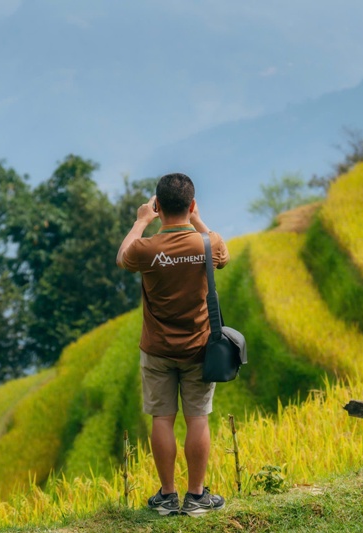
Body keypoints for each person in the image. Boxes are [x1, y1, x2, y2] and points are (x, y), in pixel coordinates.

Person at [116, 173, 229, 517]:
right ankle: (197, 498)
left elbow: (123, 256)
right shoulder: (207, 244)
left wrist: (140, 222)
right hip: (199, 348)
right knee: (198, 419)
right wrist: (196, 219)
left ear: (158, 207)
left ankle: (167, 497)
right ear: (192, 205)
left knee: (161, 420)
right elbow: (222, 255)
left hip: (158, 350)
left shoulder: (147, 250)